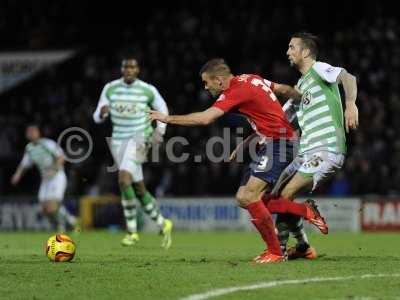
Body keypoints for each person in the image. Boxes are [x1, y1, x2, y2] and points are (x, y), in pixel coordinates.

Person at [150, 58, 326, 263]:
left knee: (250, 196)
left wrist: (168, 118)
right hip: (274, 142)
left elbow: (206, 118)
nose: (205, 88)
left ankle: (276, 251)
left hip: (279, 143)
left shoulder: (234, 91)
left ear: (219, 80)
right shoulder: (251, 78)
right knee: (245, 197)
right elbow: (284, 90)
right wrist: (302, 97)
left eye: (207, 83)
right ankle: (302, 215)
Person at [263, 32, 359, 260]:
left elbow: (348, 77)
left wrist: (351, 104)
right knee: (273, 196)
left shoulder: (318, 69)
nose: (287, 52)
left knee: (286, 194)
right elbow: (281, 119)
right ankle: (304, 246)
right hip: (305, 152)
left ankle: (279, 251)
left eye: (291, 47)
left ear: (305, 51)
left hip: (326, 149)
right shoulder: (301, 86)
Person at [93, 57, 173, 249]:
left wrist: (159, 132)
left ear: (137, 70)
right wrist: (102, 113)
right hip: (117, 142)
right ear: (122, 69)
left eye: (132, 67)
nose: (129, 70)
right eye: (126, 67)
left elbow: (163, 109)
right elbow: (96, 116)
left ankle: (131, 231)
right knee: (138, 188)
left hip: (139, 138)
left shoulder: (147, 89)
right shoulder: (110, 88)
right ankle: (163, 223)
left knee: (123, 179)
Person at [11, 124, 78, 232]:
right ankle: (68, 221)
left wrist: (54, 169)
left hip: (57, 177)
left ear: (38, 133)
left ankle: (66, 224)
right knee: (44, 208)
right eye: (30, 132)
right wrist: (17, 175)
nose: (32, 134)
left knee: (52, 206)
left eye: (34, 131)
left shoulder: (47, 143)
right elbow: (24, 164)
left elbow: (61, 157)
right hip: (45, 179)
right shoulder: (29, 148)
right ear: (27, 135)